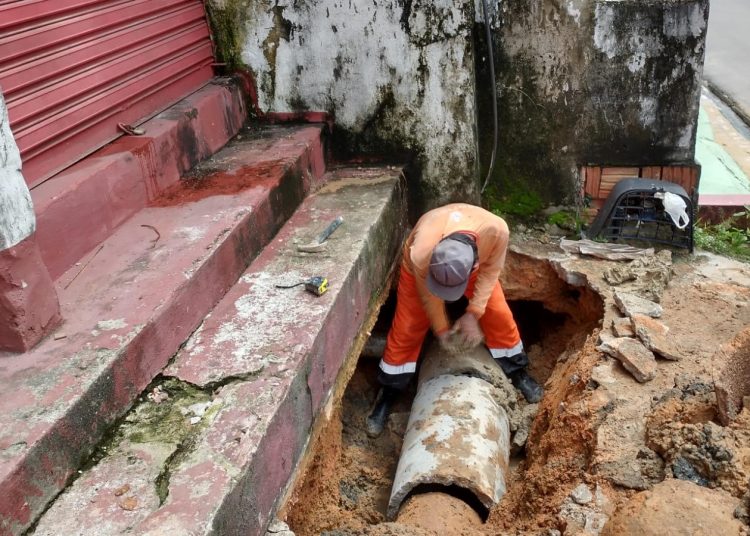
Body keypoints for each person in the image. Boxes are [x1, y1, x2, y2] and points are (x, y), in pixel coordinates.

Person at [366, 203, 543, 437]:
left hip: (472, 268)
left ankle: (517, 372)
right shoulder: (421, 253)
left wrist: (473, 313)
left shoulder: (497, 231)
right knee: (407, 327)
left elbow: (490, 272)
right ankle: (388, 392)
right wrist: (441, 330)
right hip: (421, 273)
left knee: (499, 314)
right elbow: (430, 296)